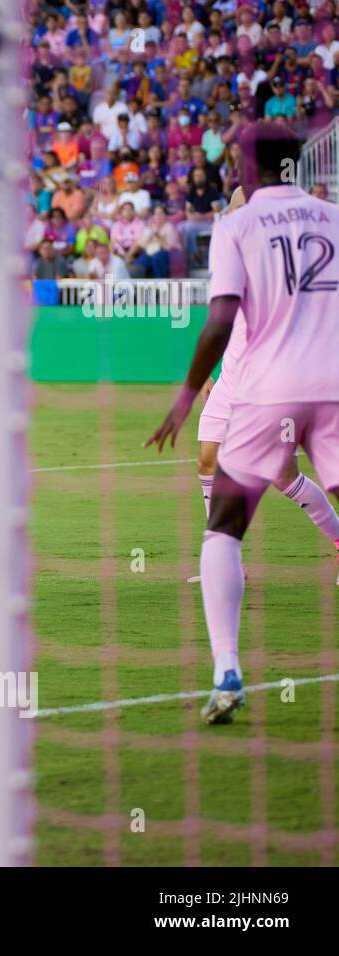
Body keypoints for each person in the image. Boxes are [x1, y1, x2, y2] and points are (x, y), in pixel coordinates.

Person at [146, 126, 339, 725]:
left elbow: (221, 317)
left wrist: (184, 392)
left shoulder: (238, 226)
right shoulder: (332, 216)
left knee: (224, 528)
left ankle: (227, 669)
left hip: (267, 388)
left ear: (250, 168)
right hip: (333, 382)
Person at [187, 186, 339, 582]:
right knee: (207, 460)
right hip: (231, 379)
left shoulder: (288, 258)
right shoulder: (235, 252)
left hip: (268, 384)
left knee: (282, 475)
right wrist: (208, 371)